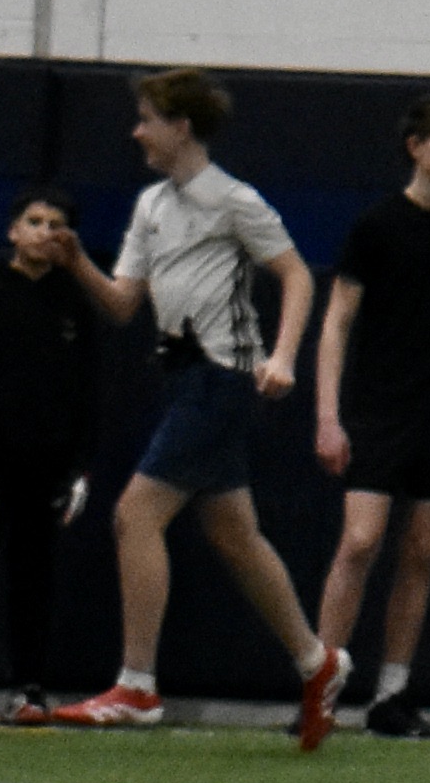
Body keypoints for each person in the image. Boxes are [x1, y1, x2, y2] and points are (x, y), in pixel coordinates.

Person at [59, 67, 344, 746]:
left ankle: (137, 684)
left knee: (135, 515)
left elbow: (297, 274)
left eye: (147, 118)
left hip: (223, 380)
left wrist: (282, 356)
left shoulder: (233, 201)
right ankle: (318, 661)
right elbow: (125, 304)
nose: (137, 131)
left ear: (180, 126)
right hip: (183, 380)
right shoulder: (151, 206)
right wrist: (74, 259)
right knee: (233, 535)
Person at [311, 90, 430, 739]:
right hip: (378, 410)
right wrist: (328, 415)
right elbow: (337, 322)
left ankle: (391, 696)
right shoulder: (376, 226)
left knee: (420, 549)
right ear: (416, 148)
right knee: (361, 541)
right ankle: (321, 688)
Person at [0, 186, 105, 718]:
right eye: (34, 220)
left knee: (35, 573)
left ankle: (29, 684)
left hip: (48, 462)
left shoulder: (76, 298)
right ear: (13, 230)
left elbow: (88, 388)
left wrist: (81, 469)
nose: (43, 232)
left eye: (56, 224)